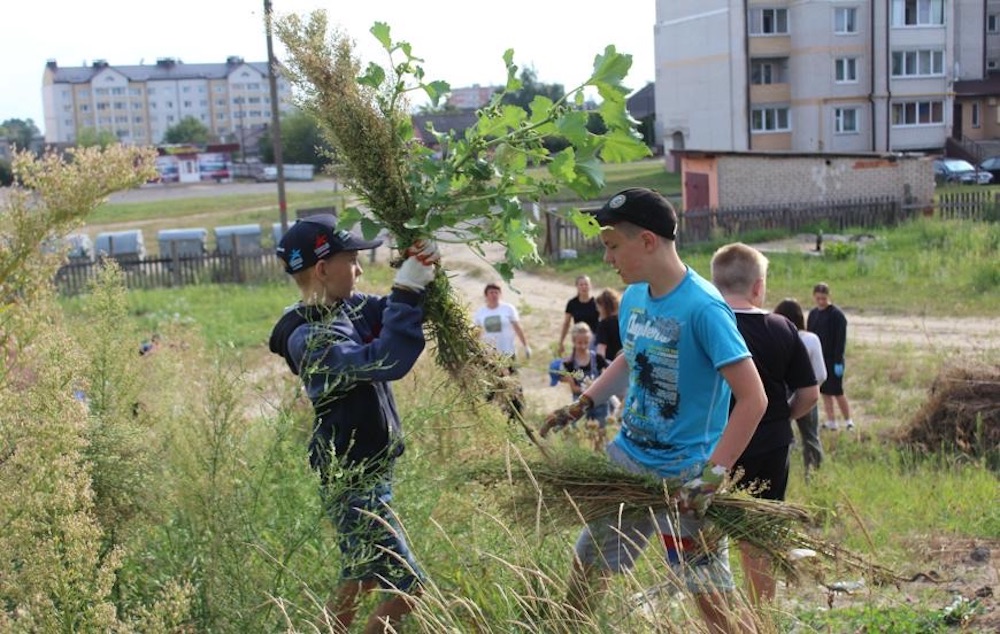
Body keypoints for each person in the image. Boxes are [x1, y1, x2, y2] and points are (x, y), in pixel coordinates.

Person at [539, 187, 767, 633]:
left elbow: (754, 398)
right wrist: (586, 400)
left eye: (612, 246)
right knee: (587, 570)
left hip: (686, 477)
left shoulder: (705, 309)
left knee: (710, 597)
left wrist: (711, 478)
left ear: (647, 241)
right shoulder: (635, 298)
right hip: (629, 461)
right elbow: (632, 354)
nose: (607, 260)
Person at [267, 214, 439, 634]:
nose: (360, 269)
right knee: (410, 585)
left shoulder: (345, 306)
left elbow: (394, 309)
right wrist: (407, 288)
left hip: (366, 469)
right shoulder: (309, 337)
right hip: (352, 479)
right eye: (352, 260)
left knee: (360, 574)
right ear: (323, 269)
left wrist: (420, 270)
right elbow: (385, 359)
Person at [710, 243, 819, 606]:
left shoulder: (708, 324)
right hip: (771, 446)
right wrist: (782, 417)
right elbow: (809, 393)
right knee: (760, 536)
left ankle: (720, 620)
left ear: (714, 283)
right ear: (758, 287)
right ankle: (761, 618)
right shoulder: (781, 327)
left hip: (715, 445)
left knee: (708, 538)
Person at [773, 298, 827, 479]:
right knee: (811, 437)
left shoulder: (775, 335)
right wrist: (811, 388)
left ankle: (780, 473)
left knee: (779, 437)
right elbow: (821, 373)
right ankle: (814, 476)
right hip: (806, 391)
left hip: (780, 392)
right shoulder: (811, 339)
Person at [472, 282, 531, 421]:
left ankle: (517, 416)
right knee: (491, 387)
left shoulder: (508, 309)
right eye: (491, 292)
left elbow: (517, 327)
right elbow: (476, 333)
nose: (494, 295)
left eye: (496, 292)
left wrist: (526, 345)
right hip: (490, 356)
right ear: (486, 295)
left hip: (507, 354)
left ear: (500, 294)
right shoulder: (481, 313)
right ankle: (486, 417)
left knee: (513, 385)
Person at [807, 282, 854, 431]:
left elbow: (841, 340)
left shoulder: (837, 315)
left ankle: (848, 421)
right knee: (825, 392)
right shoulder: (813, 314)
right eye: (818, 298)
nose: (821, 301)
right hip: (819, 359)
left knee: (837, 391)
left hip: (834, 359)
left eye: (824, 298)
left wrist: (838, 361)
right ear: (814, 296)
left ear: (829, 296)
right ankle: (831, 421)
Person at [559, 322, 610, 448]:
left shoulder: (597, 358)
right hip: (580, 404)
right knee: (579, 434)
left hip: (599, 402)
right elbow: (573, 388)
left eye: (586, 342)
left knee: (600, 434)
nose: (582, 346)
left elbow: (608, 374)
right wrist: (584, 386)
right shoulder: (569, 364)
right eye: (579, 343)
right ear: (573, 341)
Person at [556, 275, 599, 356]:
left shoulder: (597, 303)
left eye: (586, 284)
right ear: (577, 286)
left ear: (590, 286)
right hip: (578, 338)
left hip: (594, 339)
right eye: (581, 285)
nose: (584, 287)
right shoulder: (572, 303)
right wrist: (561, 342)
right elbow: (566, 323)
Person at [594, 287, 623, 361]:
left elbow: (601, 348)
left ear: (604, 307)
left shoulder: (604, 324)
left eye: (599, 307)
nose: (597, 310)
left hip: (611, 363)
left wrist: (600, 365)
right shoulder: (623, 319)